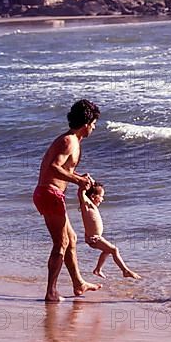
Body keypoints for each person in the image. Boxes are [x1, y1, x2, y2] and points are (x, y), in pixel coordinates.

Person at [33, 99, 103, 302]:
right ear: (86, 123)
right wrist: (78, 180)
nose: (94, 128)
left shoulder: (72, 140)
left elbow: (64, 169)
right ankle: (51, 292)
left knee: (71, 239)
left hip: (50, 193)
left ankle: (78, 284)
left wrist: (80, 177)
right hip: (49, 194)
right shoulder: (69, 141)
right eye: (94, 124)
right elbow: (53, 168)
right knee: (61, 242)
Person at [78, 182, 141, 280]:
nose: (103, 199)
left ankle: (98, 270)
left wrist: (92, 181)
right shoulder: (86, 206)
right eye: (101, 196)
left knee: (107, 250)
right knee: (114, 250)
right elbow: (81, 194)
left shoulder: (92, 206)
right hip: (93, 238)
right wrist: (83, 186)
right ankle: (125, 271)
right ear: (93, 196)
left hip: (97, 237)